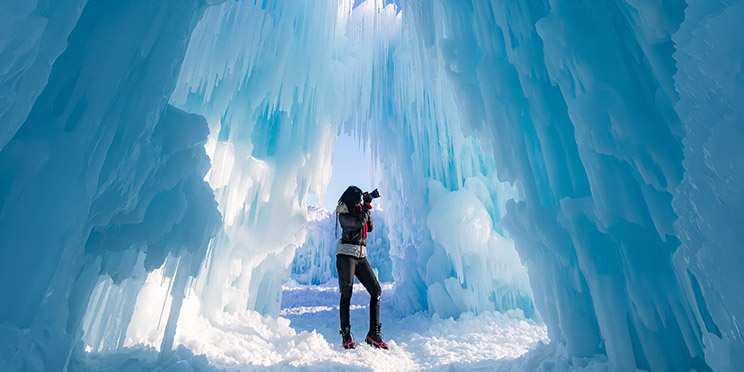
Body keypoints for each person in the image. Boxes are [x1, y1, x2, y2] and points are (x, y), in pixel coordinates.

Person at [335, 186, 388, 350]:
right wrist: (366, 206)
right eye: (358, 199)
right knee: (347, 293)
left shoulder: (360, 210)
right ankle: (346, 334)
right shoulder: (343, 214)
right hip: (346, 256)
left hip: (360, 256)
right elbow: (359, 223)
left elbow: (368, 227)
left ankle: (373, 333)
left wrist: (366, 207)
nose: (360, 202)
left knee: (376, 291)